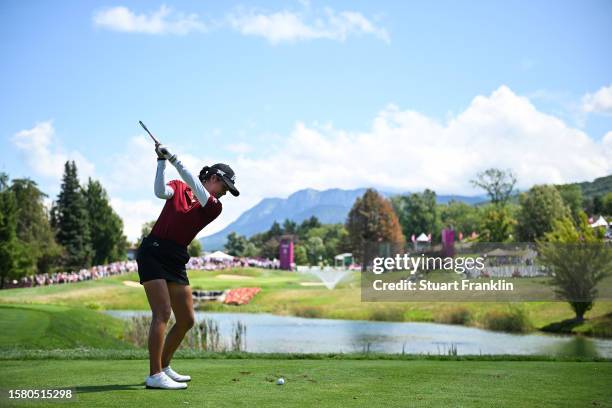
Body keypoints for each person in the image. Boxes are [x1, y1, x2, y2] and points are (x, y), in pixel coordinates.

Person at [137, 143, 239, 390]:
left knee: (186, 319)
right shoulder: (180, 187)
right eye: (224, 188)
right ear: (214, 178)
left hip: (176, 257)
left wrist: (173, 158)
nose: (224, 194)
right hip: (153, 251)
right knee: (162, 313)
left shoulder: (213, 205)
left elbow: (195, 185)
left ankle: (164, 365)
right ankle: (154, 374)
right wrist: (162, 162)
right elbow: (160, 192)